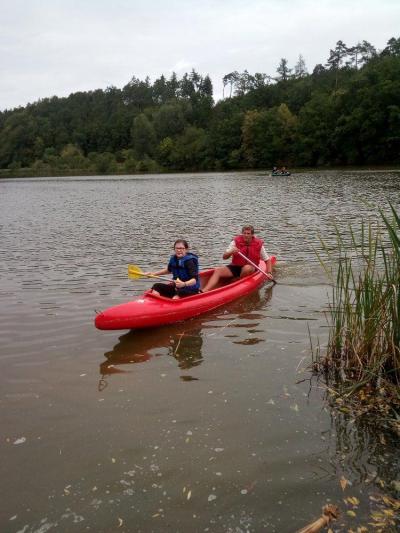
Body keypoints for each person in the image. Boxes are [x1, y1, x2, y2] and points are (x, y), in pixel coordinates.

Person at [202, 225, 272, 292]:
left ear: (252, 235)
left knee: (247, 268)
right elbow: (224, 257)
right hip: (236, 266)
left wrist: (269, 272)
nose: (246, 235)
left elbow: (267, 260)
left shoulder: (258, 244)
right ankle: (204, 291)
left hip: (251, 268)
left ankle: (236, 282)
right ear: (242, 234)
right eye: (244, 233)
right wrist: (231, 252)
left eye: (248, 233)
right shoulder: (235, 242)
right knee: (217, 271)